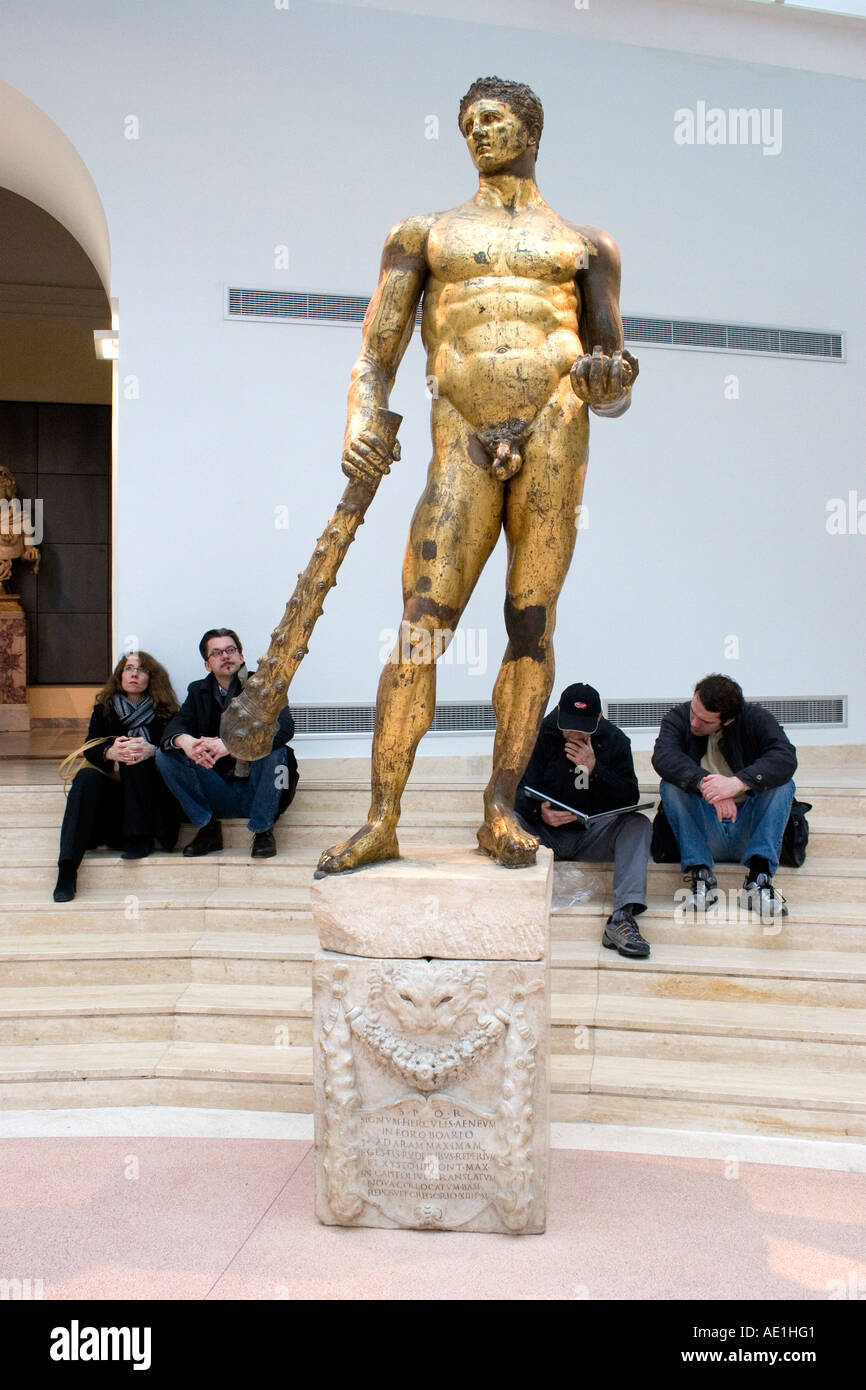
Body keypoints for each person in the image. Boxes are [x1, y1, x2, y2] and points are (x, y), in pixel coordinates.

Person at [316, 76, 638, 875]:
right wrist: (360, 418)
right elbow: (374, 355)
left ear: (530, 128)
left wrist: (613, 382)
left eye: (493, 119)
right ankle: (383, 816)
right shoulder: (424, 234)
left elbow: (613, 376)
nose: (478, 132)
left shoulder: (587, 246)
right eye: (468, 123)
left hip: (556, 433)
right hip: (459, 435)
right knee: (422, 626)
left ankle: (499, 808)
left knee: (532, 625)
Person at [515, 683, 652, 958]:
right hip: (544, 833)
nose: (575, 733)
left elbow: (629, 797)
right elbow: (513, 790)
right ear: (557, 711)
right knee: (509, 819)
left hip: (592, 833)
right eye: (569, 725)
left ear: (599, 718)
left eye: (583, 727)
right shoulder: (537, 734)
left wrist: (595, 769)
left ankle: (622, 918)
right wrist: (538, 812)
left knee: (639, 824)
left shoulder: (615, 741)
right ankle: (513, 907)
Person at [651, 674, 797, 917]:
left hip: (748, 827)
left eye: (705, 721)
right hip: (706, 826)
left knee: (783, 785)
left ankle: (758, 881)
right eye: (694, 712)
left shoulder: (756, 719)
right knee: (671, 785)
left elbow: (785, 757)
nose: (694, 722)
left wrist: (737, 784)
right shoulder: (679, 717)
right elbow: (663, 756)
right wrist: (709, 787)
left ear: (727, 721)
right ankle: (701, 877)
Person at [156, 628, 298, 858]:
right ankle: (208, 828)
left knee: (277, 752)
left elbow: (285, 728)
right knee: (166, 755)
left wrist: (230, 745)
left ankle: (263, 831)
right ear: (207, 664)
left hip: (258, 788)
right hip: (219, 788)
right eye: (217, 652)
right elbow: (176, 725)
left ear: (241, 656)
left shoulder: (265, 686)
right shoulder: (197, 691)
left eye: (231, 650)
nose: (225, 656)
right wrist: (187, 742)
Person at [53, 651, 182, 902]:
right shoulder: (105, 710)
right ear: (119, 676)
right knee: (86, 778)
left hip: (151, 801)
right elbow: (91, 747)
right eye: (128, 668)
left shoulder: (167, 713)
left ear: (152, 678)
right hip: (116, 802)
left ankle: (139, 838)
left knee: (135, 752)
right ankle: (67, 869)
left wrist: (152, 750)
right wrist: (110, 751)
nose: (134, 674)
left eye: (141, 670)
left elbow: (177, 749)